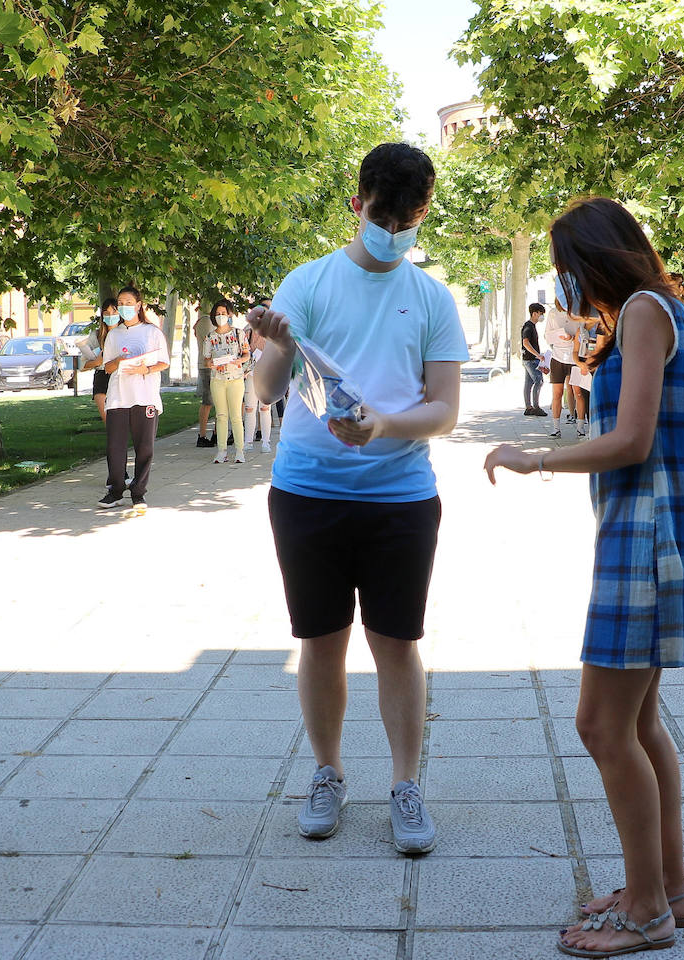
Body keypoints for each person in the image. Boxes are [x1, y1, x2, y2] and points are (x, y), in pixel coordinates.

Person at [485, 197, 684, 958]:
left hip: (648, 538)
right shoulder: (654, 311)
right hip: (651, 532)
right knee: (639, 724)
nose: (565, 285)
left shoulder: (648, 310)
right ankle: (669, 889)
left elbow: (631, 438)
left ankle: (647, 909)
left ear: (597, 259)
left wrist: (536, 457)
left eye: (567, 269)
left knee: (601, 724)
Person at [247, 142, 467, 856]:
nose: (395, 229)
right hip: (307, 492)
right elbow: (264, 391)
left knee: (397, 645)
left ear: (423, 213)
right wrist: (276, 344)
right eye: (384, 215)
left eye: (408, 219)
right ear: (357, 205)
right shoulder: (307, 283)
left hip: (401, 496)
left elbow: (443, 410)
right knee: (320, 643)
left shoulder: (432, 298)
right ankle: (327, 773)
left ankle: (407, 784)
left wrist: (384, 424)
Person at [98, 285, 170, 514]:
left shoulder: (152, 332)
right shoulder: (114, 335)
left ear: (139, 305)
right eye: (121, 303)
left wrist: (145, 370)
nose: (124, 307)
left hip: (145, 397)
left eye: (129, 303)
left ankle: (138, 493)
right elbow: (107, 367)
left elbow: (163, 362)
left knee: (144, 447)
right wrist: (120, 360)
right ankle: (115, 490)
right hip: (118, 398)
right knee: (115, 447)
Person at [202, 299, 249, 463]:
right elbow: (206, 360)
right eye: (218, 314)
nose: (221, 316)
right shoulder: (210, 337)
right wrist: (212, 363)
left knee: (236, 416)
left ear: (229, 314)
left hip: (235, 379)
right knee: (221, 415)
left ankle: (240, 451)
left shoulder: (238, 333)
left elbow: (246, 354)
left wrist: (238, 361)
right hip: (218, 379)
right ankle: (221, 451)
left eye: (223, 313)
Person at [545, 303, 580, 437]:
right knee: (557, 393)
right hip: (557, 356)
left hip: (574, 355)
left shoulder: (577, 312)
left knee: (578, 392)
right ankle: (556, 427)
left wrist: (571, 338)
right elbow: (547, 336)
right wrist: (557, 336)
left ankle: (580, 426)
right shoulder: (553, 313)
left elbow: (582, 332)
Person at [83, 298, 119, 422]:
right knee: (108, 420)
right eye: (106, 313)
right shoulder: (96, 335)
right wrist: (97, 362)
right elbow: (84, 364)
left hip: (120, 376)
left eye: (114, 312)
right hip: (102, 377)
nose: (110, 316)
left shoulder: (126, 333)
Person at [242, 319, 274, 452]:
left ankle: (266, 442)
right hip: (250, 375)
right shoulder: (246, 332)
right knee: (249, 409)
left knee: (265, 408)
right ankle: (248, 442)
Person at [195, 306, 216, 447]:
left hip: (209, 365)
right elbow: (212, 343)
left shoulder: (203, 322)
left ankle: (214, 433)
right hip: (208, 366)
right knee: (208, 401)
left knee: (213, 401)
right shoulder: (205, 322)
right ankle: (202, 435)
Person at [522, 302, 547, 416]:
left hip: (529, 358)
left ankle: (528, 407)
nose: (542, 316)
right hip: (531, 359)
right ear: (534, 314)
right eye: (540, 313)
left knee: (528, 383)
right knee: (539, 381)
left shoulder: (531, 326)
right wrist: (537, 355)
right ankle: (536, 407)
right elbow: (525, 342)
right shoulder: (528, 326)